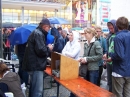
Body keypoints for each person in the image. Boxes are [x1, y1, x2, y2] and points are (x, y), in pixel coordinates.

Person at [22, 18, 53, 97]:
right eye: (49, 27)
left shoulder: (36, 32)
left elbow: (38, 48)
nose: (49, 29)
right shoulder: (38, 34)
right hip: (36, 65)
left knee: (33, 88)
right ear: (45, 26)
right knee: (38, 91)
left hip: (33, 64)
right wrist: (48, 48)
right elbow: (41, 51)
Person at [108, 17, 130, 97]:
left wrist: (110, 54)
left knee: (117, 94)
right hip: (128, 71)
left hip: (119, 71)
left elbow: (120, 55)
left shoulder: (118, 37)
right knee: (127, 94)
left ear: (117, 25)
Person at [62, 31, 81, 97]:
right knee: (70, 83)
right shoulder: (68, 43)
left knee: (74, 83)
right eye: (69, 35)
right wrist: (68, 53)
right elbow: (62, 52)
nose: (69, 36)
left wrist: (66, 53)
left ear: (75, 36)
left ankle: (74, 95)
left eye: (71, 35)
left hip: (74, 66)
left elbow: (73, 55)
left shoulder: (77, 44)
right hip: (68, 64)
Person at [103, 19, 117, 92]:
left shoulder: (118, 35)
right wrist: (106, 54)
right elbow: (108, 48)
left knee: (116, 83)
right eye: (109, 28)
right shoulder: (109, 36)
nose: (111, 30)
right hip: (109, 62)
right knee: (109, 81)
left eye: (112, 28)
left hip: (115, 62)